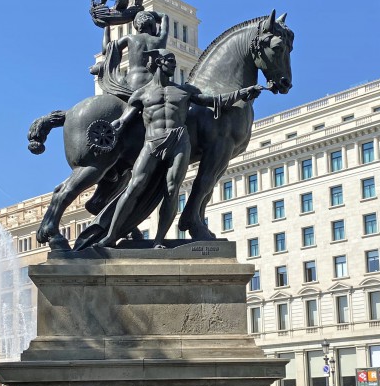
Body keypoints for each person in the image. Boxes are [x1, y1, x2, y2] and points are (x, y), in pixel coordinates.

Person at [97, 50, 263, 249]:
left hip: (179, 141)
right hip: (152, 141)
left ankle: (158, 240)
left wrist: (242, 93)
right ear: (159, 62)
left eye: (174, 62)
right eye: (170, 61)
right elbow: (125, 120)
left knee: (171, 190)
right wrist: (113, 130)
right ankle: (111, 235)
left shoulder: (185, 91)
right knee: (134, 187)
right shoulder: (142, 93)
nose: (173, 65)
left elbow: (212, 101)